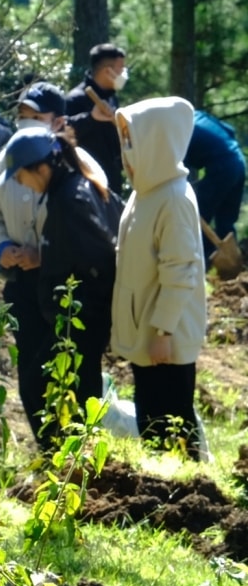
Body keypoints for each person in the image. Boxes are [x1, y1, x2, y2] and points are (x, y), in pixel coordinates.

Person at [0, 127, 119, 446]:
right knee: (43, 382)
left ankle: (75, 457)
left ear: (42, 169)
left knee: (52, 385)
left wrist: (43, 257)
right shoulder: (63, 193)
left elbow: (100, 255)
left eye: (21, 176)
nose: (19, 183)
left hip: (80, 313)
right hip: (64, 308)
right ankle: (60, 455)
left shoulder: (73, 197)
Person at [112, 97, 208, 452]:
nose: (126, 150)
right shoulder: (145, 193)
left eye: (132, 140)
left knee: (173, 422)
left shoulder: (175, 199)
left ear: (157, 141)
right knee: (151, 419)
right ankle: (163, 490)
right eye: (124, 140)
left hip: (164, 339)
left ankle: (189, 496)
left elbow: (180, 271)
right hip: (147, 332)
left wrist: (164, 331)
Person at [65, 43, 128, 196]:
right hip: (86, 185)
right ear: (108, 71)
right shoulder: (75, 99)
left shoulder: (112, 98)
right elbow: (64, 131)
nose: (123, 73)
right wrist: (90, 118)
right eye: (120, 69)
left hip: (112, 184)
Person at [185, 109, 245, 264]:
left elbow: (176, 168)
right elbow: (229, 131)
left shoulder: (179, 128)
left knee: (198, 216)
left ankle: (203, 264)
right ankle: (233, 266)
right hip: (238, 162)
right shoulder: (199, 116)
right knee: (226, 222)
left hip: (222, 167)